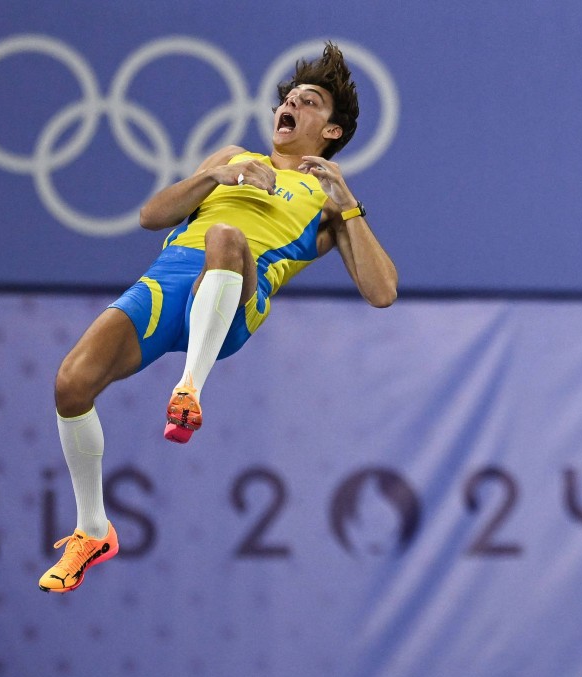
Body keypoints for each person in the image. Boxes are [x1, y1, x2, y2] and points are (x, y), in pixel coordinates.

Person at [38, 42, 398, 593]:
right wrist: (218, 177)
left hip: (234, 297)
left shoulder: (329, 201)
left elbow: (382, 292)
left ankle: (189, 390)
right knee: (71, 384)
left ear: (331, 131)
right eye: (290, 97)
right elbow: (151, 216)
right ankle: (93, 529)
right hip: (167, 282)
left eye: (310, 102)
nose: (292, 104)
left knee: (226, 238)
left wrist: (348, 204)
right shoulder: (232, 156)